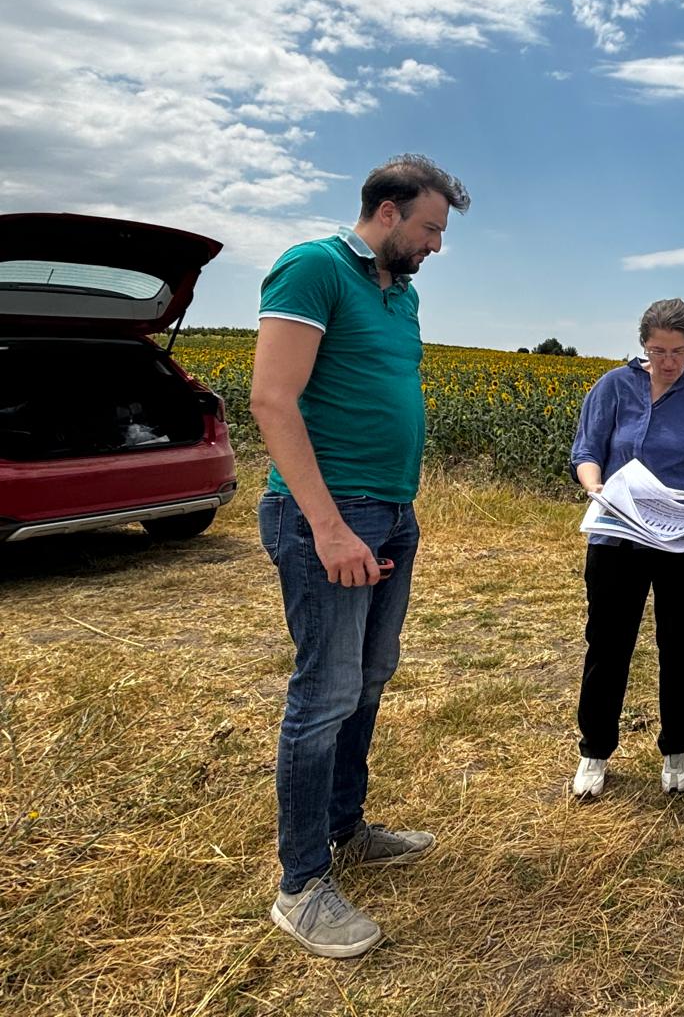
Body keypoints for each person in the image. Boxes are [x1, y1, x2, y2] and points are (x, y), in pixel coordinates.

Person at [251, 154, 470, 958]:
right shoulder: (312, 268)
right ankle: (302, 885)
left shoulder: (400, 293)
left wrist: (388, 516)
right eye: (430, 228)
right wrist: (329, 528)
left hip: (390, 515)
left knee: (370, 679)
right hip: (327, 518)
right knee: (324, 690)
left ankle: (347, 829)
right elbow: (273, 400)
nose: (436, 246)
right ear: (386, 211)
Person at [568, 300, 684, 800]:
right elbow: (587, 452)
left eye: (679, 352)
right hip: (618, 534)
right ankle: (594, 750)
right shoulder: (612, 387)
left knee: (681, 645)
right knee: (607, 643)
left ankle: (676, 748)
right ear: (643, 345)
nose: (668, 361)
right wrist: (595, 488)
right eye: (658, 350)